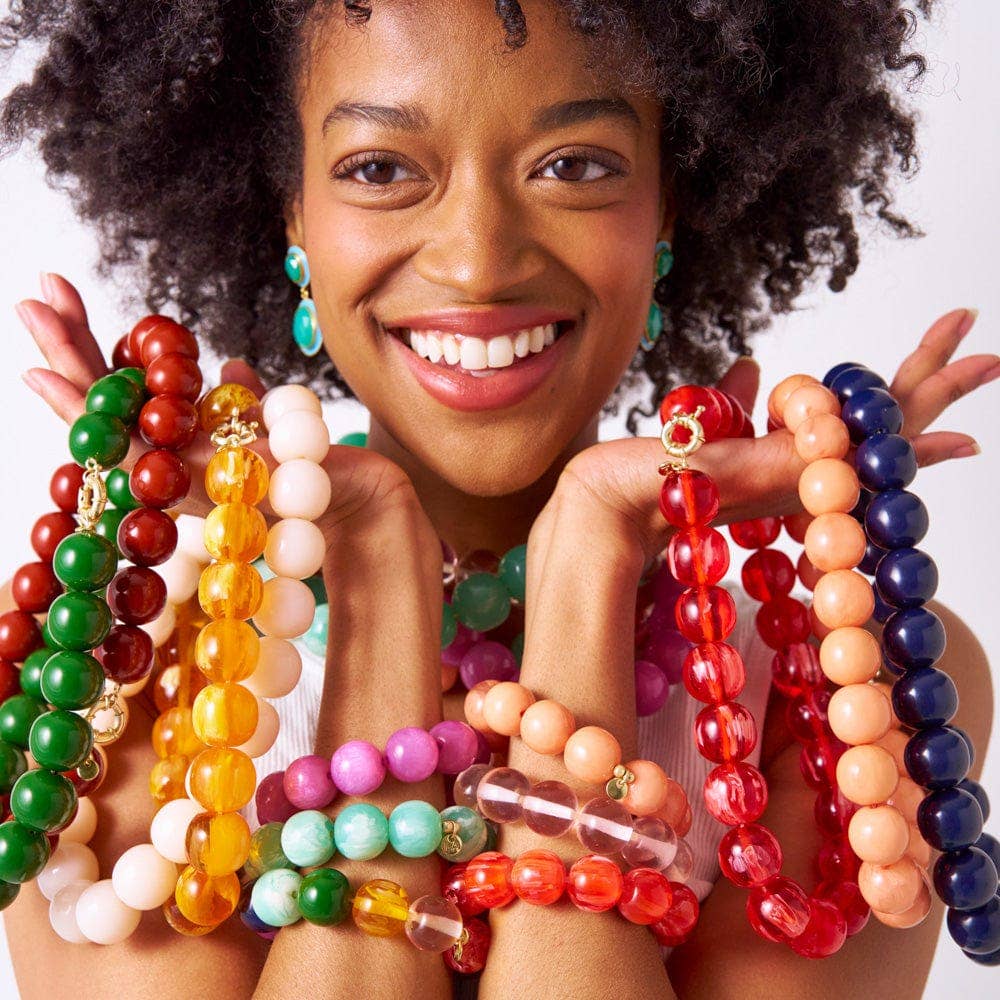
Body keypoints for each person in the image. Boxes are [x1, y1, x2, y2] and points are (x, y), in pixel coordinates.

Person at [0, 1, 995, 997]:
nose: (477, 261)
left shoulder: (843, 691)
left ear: (667, 210)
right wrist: (370, 552)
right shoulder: (99, 678)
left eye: (575, 165)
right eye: (379, 168)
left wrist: (596, 545)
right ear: (292, 213)